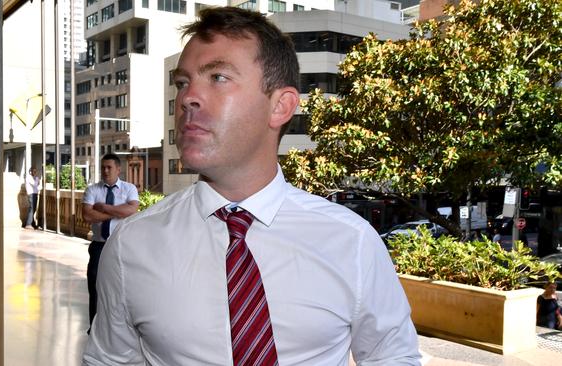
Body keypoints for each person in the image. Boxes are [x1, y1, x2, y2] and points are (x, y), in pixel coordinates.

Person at [84, 7, 420, 365]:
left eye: (218, 77)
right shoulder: (132, 245)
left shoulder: (351, 241)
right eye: (182, 83)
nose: (186, 98)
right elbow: (109, 360)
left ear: (281, 106)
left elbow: (393, 357)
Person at [82, 153, 139, 329]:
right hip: (99, 245)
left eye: (109, 167)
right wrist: (118, 211)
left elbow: (132, 210)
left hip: (122, 245)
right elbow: (87, 215)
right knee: (95, 284)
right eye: (103, 167)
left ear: (118, 169)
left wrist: (104, 208)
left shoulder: (129, 189)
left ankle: (118, 328)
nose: (105, 171)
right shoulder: (92, 190)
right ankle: (95, 327)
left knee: (121, 286)